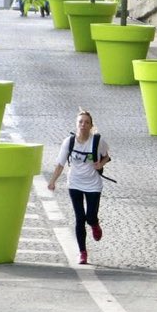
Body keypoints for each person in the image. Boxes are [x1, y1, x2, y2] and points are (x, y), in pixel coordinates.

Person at [48, 110, 111, 265]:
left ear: (91, 126)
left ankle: (95, 224)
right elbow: (60, 164)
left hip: (93, 184)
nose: (83, 125)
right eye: (80, 122)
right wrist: (52, 181)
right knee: (79, 218)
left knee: (90, 216)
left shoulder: (97, 141)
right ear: (76, 124)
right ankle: (82, 253)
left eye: (86, 122)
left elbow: (107, 156)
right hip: (75, 183)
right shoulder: (69, 142)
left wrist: (100, 164)